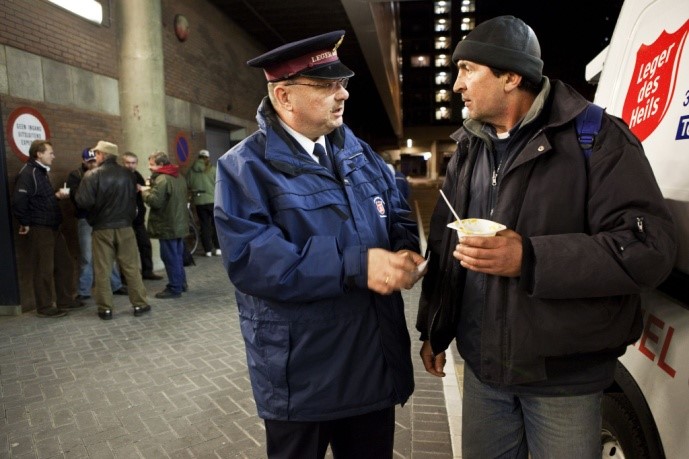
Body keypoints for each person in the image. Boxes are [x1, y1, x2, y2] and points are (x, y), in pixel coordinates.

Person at [416, 15, 677, 458]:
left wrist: (531, 258)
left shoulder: (598, 138)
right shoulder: (469, 149)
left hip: (565, 381)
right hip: (484, 374)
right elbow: (445, 243)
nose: (457, 85)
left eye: (468, 70)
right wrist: (435, 329)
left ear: (511, 76)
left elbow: (649, 249)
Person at [214, 31, 426, 459]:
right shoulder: (244, 168)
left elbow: (397, 205)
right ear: (284, 97)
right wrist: (357, 265)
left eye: (342, 83)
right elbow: (254, 260)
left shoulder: (359, 152)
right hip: (304, 378)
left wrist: (406, 247)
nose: (343, 94)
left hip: (371, 365)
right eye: (327, 86)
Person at [75, 141, 150, 320]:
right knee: (131, 267)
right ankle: (140, 304)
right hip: (126, 227)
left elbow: (82, 201)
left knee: (102, 269)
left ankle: (105, 309)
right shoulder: (129, 175)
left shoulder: (92, 175)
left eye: (97, 153)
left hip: (102, 229)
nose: (95, 156)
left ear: (102, 155)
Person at [11, 139, 83, 318]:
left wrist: (56, 197)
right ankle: (44, 307)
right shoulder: (29, 173)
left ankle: (65, 300)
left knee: (64, 264)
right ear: (39, 154)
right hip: (40, 228)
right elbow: (19, 202)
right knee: (44, 268)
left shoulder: (41, 172)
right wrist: (25, 222)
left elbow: (40, 199)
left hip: (53, 227)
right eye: (50, 152)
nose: (53, 156)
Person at [66, 147, 128, 300]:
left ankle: (116, 285)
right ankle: (84, 290)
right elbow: (77, 198)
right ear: (83, 161)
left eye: (95, 161)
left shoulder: (102, 173)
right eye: (90, 162)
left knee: (110, 253)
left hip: (102, 219)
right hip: (86, 219)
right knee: (87, 256)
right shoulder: (75, 175)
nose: (93, 164)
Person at [141, 151, 189, 299]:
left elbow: (155, 202)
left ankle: (174, 288)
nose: (149, 167)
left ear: (161, 165)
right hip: (179, 224)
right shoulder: (178, 176)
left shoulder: (162, 179)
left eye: (151, 165)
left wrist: (145, 191)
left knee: (169, 257)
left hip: (167, 225)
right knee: (177, 256)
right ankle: (181, 284)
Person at [121, 151, 162, 280]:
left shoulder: (137, 175)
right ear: (123, 163)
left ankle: (147, 271)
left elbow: (144, 191)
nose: (130, 165)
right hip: (125, 219)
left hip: (138, 219)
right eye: (127, 162)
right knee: (127, 250)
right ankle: (126, 277)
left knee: (145, 244)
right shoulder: (120, 176)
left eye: (133, 163)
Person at [186, 149, 221, 257]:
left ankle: (208, 251)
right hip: (213, 200)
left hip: (199, 202)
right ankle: (218, 248)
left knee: (204, 225)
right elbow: (219, 183)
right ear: (207, 157)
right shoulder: (213, 169)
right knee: (216, 224)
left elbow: (188, 184)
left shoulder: (191, 171)